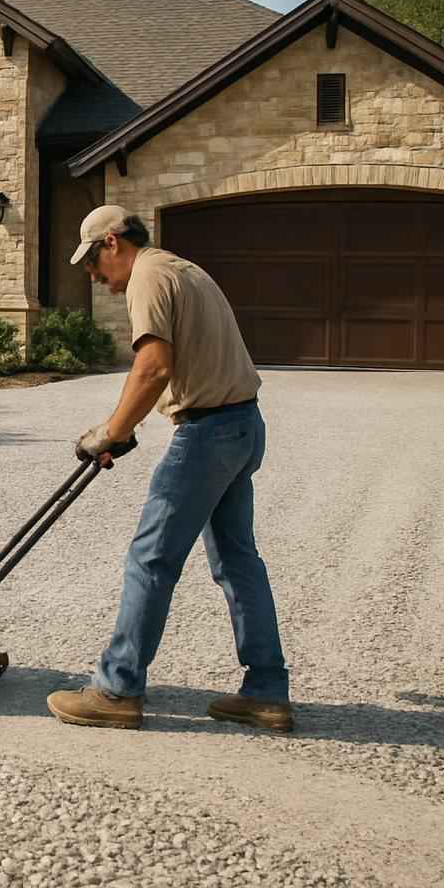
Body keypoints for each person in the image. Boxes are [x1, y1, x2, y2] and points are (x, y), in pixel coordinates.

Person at [46, 204, 292, 733]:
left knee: (150, 558)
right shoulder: (184, 269)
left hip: (209, 435)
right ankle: (267, 692)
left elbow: (154, 365)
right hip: (242, 424)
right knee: (237, 559)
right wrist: (124, 427)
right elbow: (180, 366)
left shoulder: (148, 277)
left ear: (112, 242)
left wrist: (109, 432)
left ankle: (116, 690)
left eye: (92, 262)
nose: (94, 277)